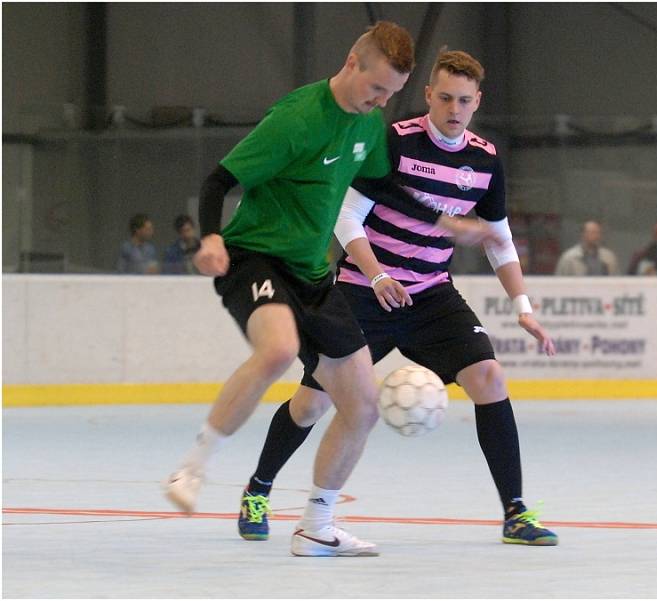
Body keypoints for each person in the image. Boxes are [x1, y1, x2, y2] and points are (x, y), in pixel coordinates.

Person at [164, 23, 498, 558]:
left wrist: (444, 221)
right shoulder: (296, 119)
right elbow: (217, 181)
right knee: (277, 350)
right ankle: (193, 467)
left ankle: (316, 525)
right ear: (352, 62)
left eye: (391, 94)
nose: (382, 102)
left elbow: (385, 186)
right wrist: (209, 237)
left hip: (314, 275)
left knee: (362, 406)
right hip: (255, 257)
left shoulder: (367, 126)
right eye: (377, 89)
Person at [236, 49, 560, 549]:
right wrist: (378, 273)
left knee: (490, 377)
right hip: (365, 293)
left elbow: (500, 239)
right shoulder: (393, 142)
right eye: (445, 97)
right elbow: (347, 218)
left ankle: (515, 513)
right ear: (428, 94)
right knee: (313, 402)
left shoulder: (486, 160)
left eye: (465, 101)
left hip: (431, 294)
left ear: (478, 102)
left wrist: (523, 309)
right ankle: (259, 489)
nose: (454, 108)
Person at [554, 220, 620, 276]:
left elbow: (616, 281)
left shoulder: (609, 257)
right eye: (593, 232)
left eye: (599, 233)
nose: (597, 236)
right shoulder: (569, 258)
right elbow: (559, 282)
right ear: (583, 234)